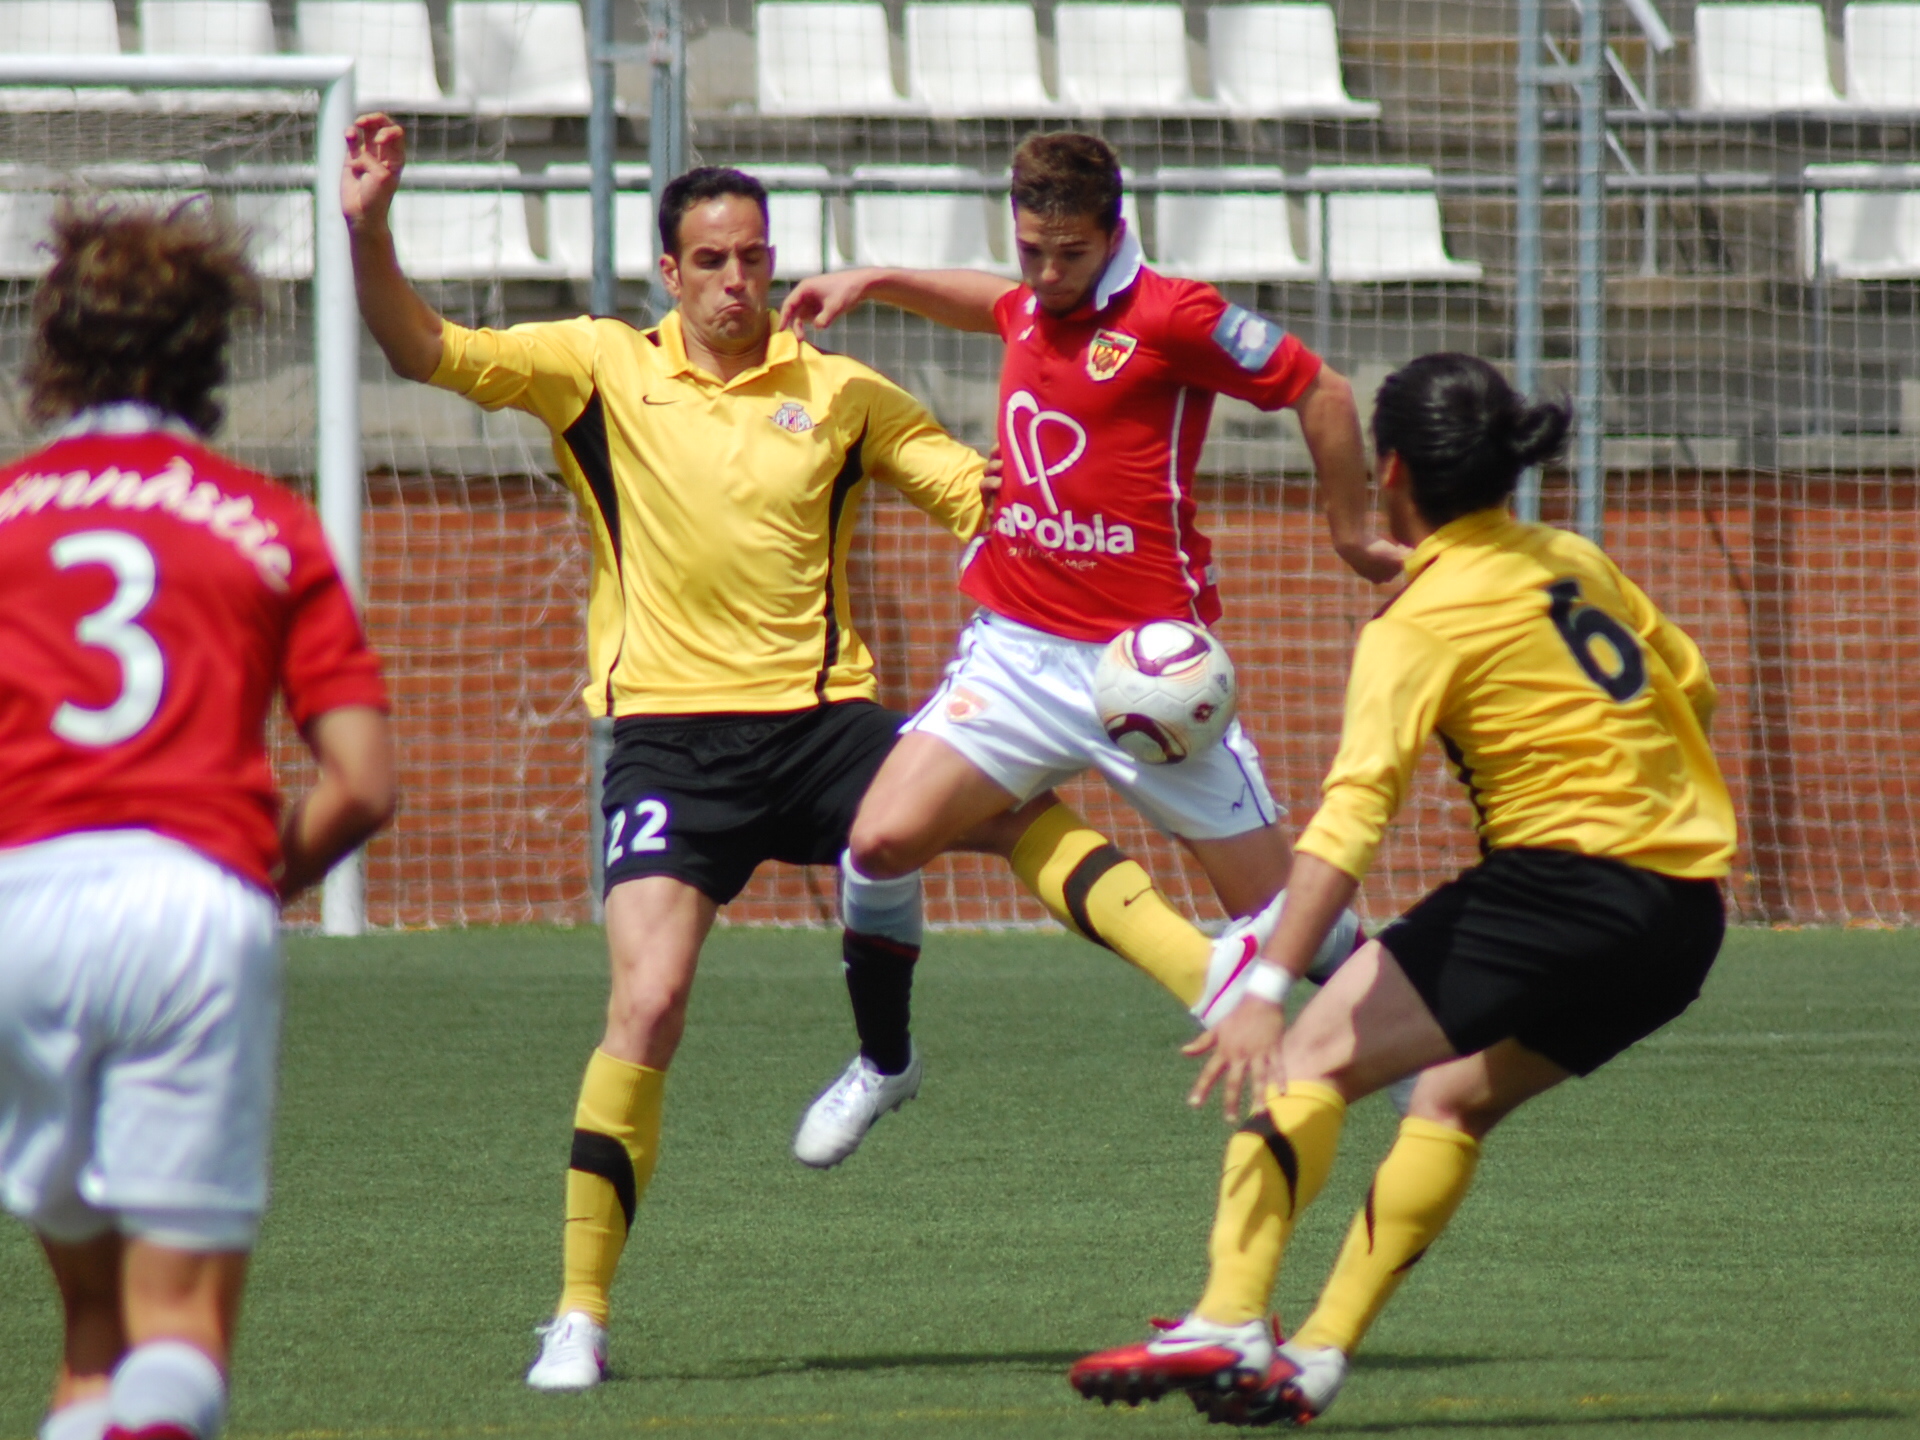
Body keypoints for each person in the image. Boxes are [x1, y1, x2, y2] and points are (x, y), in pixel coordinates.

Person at [340, 116, 1264, 1391]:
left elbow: (985, 491)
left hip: (826, 721)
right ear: (668, 272)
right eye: (711, 260)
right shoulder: (594, 367)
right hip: (668, 742)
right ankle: (579, 1314)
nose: (737, 282)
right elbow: (418, 347)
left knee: (1002, 808)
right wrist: (368, 225)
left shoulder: (841, 391)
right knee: (648, 1001)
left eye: (755, 259)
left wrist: (1104, 526)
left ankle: (1209, 977)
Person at [1067, 353, 1737, 1426]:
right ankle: (1318, 1355)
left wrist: (1267, 981)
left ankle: (1231, 1316)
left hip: (1562, 885)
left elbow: (1353, 817)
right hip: (1685, 915)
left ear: (1389, 474)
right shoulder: (1571, 558)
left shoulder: (1415, 620)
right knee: (1451, 1100)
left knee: (1306, 1058)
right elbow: (1690, 685)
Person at [780, 132, 1406, 1143]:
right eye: (1030, 249)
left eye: (1067, 253)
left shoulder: (1177, 313)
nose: (1044, 272)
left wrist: (1351, 535)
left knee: (1289, 910)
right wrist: (877, 278)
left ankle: (1411, 1046)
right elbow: (988, 299)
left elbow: (1321, 390)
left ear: (1112, 233)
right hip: (1017, 654)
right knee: (880, 841)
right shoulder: (1028, 296)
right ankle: (884, 1063)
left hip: (1147, 667)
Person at [0, 202, 396, 1440]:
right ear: (208, 356)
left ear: (52, 351)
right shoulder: (265, 526)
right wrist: (249, 882)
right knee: (177, 1335)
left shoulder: (6, 514)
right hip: (192, 909)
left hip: (26, 907)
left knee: (90, 1338)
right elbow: (364, 784)